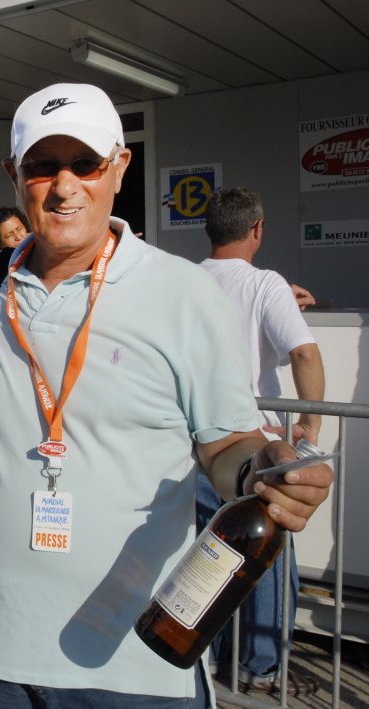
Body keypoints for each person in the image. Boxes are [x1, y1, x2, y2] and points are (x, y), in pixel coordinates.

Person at [0, 84, 333, 707]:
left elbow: (226, 442)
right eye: (43, 167)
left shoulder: (182, 293)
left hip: (134, 663)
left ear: (119, 168)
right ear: (15, 175)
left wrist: (263, 468)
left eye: (84, 164)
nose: (64, 186)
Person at [197, 186, 326, 696]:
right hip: (255, 450)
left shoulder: (185, 280)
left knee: (205, 562)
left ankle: (201, 662)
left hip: (198, 447)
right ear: (257, 230)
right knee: (266, 564)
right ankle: (259, 668)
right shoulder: (264, 283)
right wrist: (311, 427)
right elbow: (306, 356)